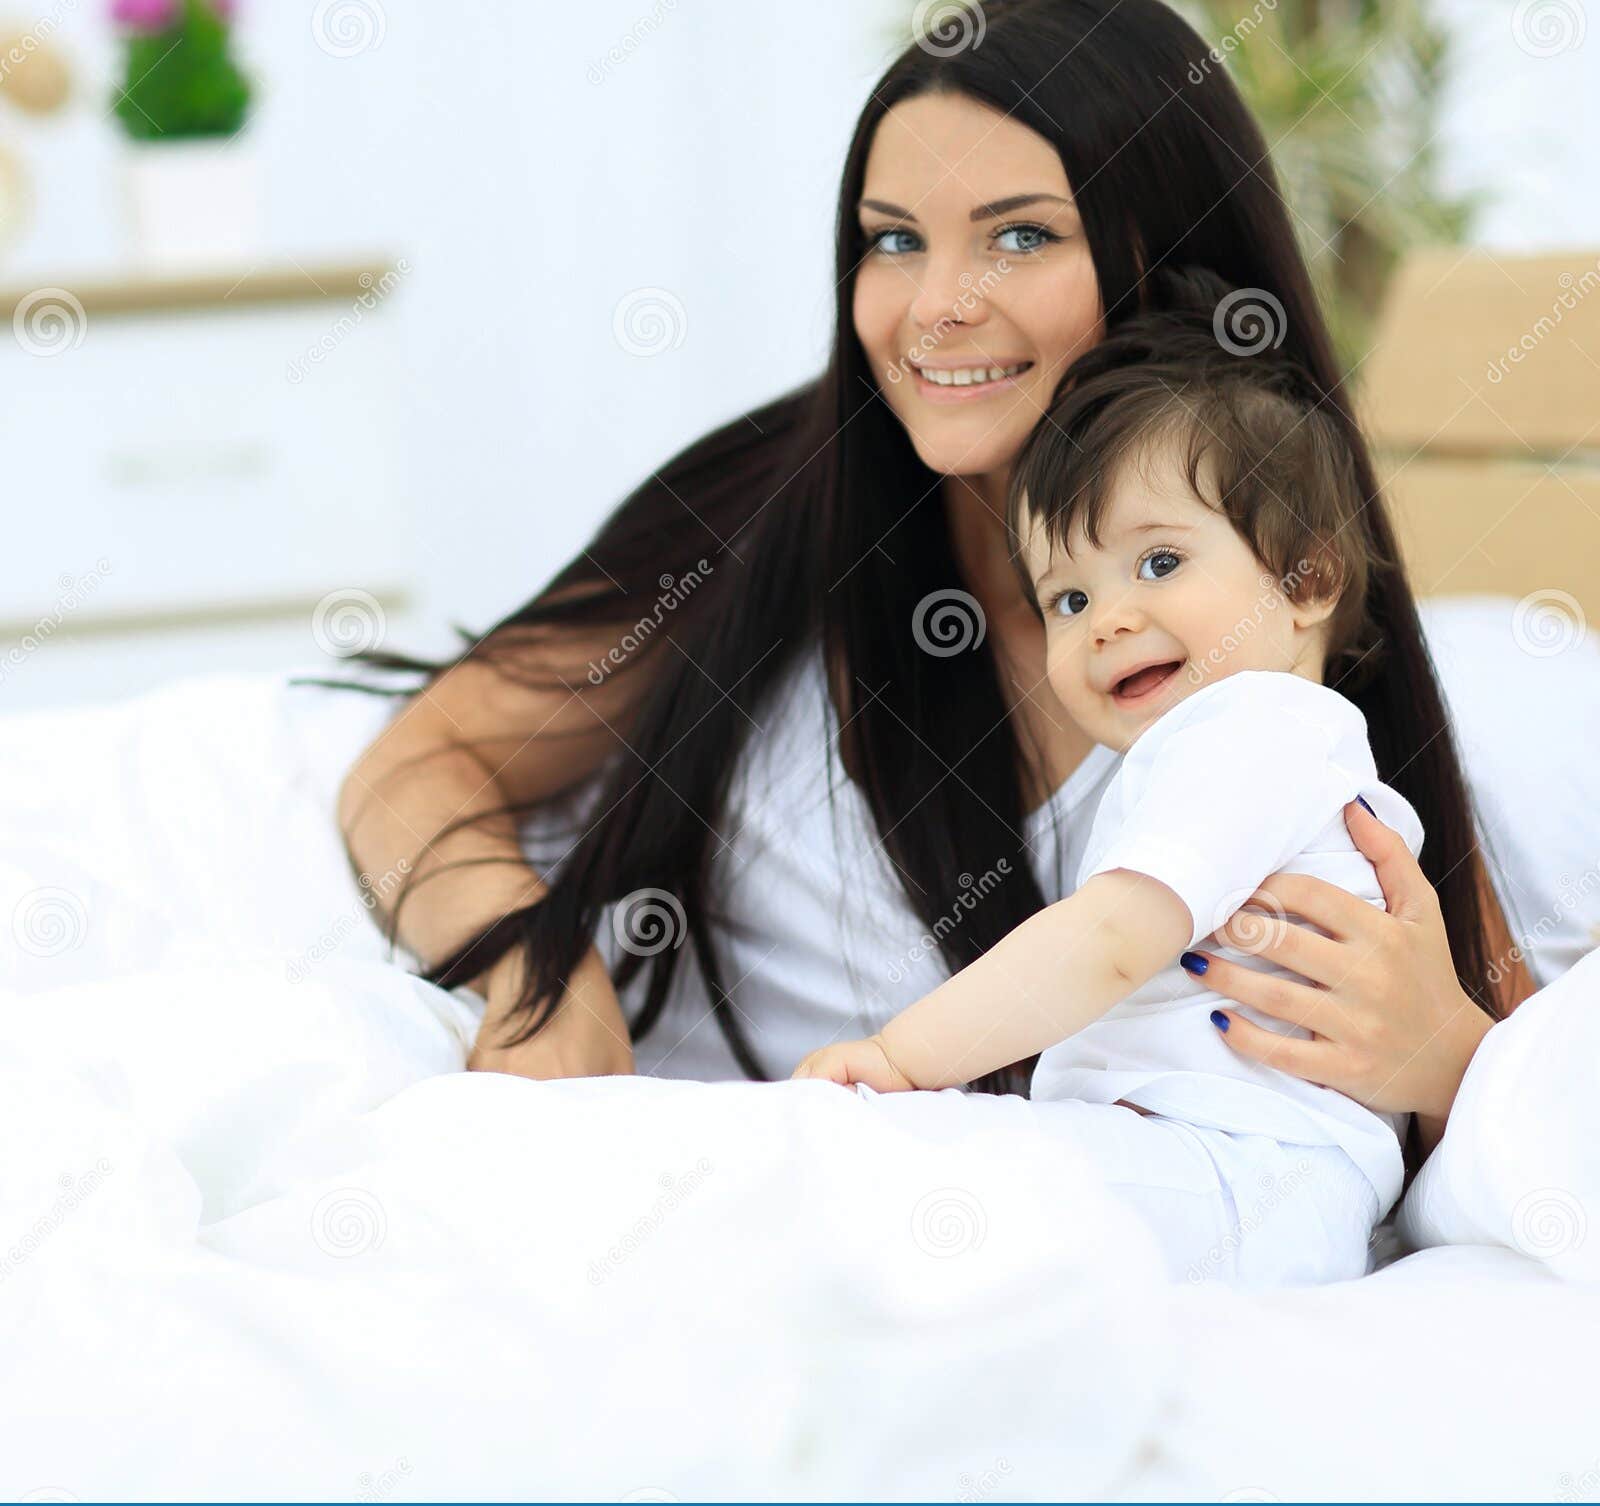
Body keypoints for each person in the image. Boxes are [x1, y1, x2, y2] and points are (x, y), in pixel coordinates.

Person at [329, 0, 1531, 1231]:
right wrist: (544, 975)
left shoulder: (1276, 655)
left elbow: (1508, 1072)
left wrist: (1440, 1056)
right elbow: (415, 763)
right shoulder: (772, 507)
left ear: (1165, 254)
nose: (933, 306)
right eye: (892, 240)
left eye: (1018, 236)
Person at [797, 293, 1435, 1270]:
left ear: (1307, 579)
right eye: (1068, 595)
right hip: (1237, 1175)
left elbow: (1106, 943)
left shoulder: (1252, 728)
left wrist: (899, 1062)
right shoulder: (1253, 753)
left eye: (1160, 560)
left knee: (892, 1192)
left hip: (1241, 1167)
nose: (1104, 619)